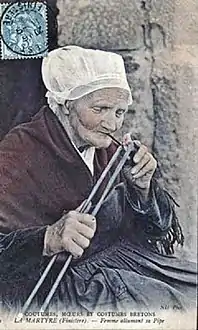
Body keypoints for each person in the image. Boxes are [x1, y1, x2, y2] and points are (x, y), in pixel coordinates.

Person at [0, 46, 196, 314]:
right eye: (100, 108)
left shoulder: (109, 150)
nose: (113, 124)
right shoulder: (17, 153)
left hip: (120, 265)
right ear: (67, 104)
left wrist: (143, 190)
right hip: (54, 289)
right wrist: (47, 238)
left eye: (119, 112)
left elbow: (155, 234)